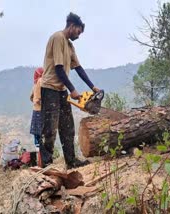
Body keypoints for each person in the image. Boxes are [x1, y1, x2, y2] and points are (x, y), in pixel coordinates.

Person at [40, 12, 99, 168]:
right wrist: (72, 89)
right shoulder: (58, 37)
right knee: (50, 130)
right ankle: (47, 165)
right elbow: (59, 69)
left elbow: (78, 68)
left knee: (67, 128)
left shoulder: (70, 45)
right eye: (78, 32)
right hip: (50, 89)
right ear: (72, 26)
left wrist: (92, 86)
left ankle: (71, 162)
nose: (78, 36)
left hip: (61, 91)